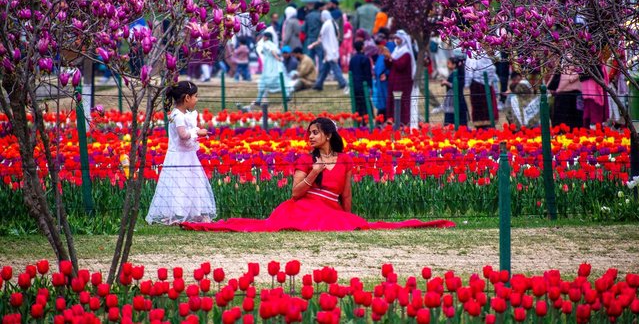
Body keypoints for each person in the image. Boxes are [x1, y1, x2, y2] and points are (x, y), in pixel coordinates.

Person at [181, 118, 455, 232]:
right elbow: (295, 193)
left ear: (328, 135)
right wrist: (314, 173)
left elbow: (345, 194)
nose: (310, 137)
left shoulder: (345, 160)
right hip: (301, 208)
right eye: (309, 133)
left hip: (330, 209)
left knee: (357, 224)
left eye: (315, 133)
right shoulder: (305, 159)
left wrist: (349, 215)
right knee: (264, 226)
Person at [146, 81, 217, 225]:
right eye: (195, 96)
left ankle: (192, 212)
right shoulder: (177, 115)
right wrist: (197, 132)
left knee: (192, 184)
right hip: (179, 157)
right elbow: (183, 135)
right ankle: (178, 214)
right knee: (179, 184)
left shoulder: (183, 114)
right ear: (187, 98)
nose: (197, 99)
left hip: (188, 156)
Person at [382, 30, 416, 127]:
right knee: (392, 102)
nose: (396, 40)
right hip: (393, 82)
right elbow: (390, 65)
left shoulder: (406, 53)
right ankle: (391, 122)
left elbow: (400, 65)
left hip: (402, 83)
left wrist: (391, 58)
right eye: (395, 38)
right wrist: (387, 58)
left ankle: (403, 123)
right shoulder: (396, 50)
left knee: (402, 103)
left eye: (398, 38)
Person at [311, 10, 348, 92]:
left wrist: (313, 44)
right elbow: (338, 34)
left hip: (329, 49)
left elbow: (320, 36)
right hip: (334, 47)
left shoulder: (326, 24)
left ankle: (343, 82)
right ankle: (319, 84)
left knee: (334, 66)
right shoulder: (333, 22)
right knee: (325, 67)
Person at [253, 32, 294, 106]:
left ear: (267, 37)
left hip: (269, 65)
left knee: (264, 81)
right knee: (280, 80)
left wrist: (277, 58)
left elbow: (272, 51)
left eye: (264, 36)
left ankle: (258, 100)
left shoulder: (266, 44)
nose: (263, 38)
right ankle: (287, 95)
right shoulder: (273, 44)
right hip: (275, 65)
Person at [464, 50, 499, 130]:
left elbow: (469, 69)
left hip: (480, 84)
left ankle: (485, 127)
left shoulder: (477, 53)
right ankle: (483, 127)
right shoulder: (476, 53)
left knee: (484, 105)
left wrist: (467, 83)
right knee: (483, 105)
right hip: (481, 83)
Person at [349, 41, 373, 124]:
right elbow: (368, 74)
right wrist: (370, 86)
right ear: (362, 47)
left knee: (357, 105)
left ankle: (357, 121)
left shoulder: (352, 59)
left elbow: (350, 73)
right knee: (365, 105)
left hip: (355, 86)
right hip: (363, 86)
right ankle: (365, 121)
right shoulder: (365, 59)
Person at [441, 56, 468, 127]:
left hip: (455, 99)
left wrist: (447, 83)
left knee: (454, 120)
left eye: (449, 63)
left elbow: (458, 85)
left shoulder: (458, 73)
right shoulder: (455, 73)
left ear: (454, 65)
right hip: (453, 98)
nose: (447, 65)